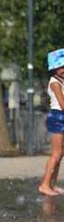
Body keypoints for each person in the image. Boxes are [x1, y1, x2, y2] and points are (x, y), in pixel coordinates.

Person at [39, 48, 64, 196]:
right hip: (58, 118)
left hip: (61, 117)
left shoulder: (61, 80)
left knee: (61, 153)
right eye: (60, 67)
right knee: (56, 153)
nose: (63, 69)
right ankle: (44, 184)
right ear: (53, 69)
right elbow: (62, 104)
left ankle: (52, 184)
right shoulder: (55, 83)